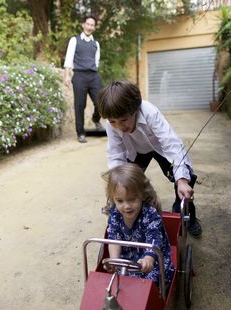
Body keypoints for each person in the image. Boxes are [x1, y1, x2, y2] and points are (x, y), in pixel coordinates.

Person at [97, 80, 202, 237]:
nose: (119, 126)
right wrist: (115, 186)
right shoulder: (111, 125)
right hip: (135, 151)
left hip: (160, 148)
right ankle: (138, 214)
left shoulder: (150, 113)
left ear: (135, 109)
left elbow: (171, 144)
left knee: (185, 178)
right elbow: (116, 154)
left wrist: (181, 181)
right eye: (113, 122)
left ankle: (187, 215)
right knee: (126, 181)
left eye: (124, 120)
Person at [102, 163, 175, 288]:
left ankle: (151, 299)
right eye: (120, 201)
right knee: (115, 279)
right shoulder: (115, 213)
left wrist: (148, 259)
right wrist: (114, 260)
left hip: (151, 256)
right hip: (127, 257)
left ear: (142, 195)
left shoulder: (149, 214)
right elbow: (114, 239)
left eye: (132, 199)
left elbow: (154, 240)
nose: (127, 206)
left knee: (153, 279)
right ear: (113, 199)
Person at [63, 14, 104, 144]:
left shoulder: (96, 44)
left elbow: (96, 61)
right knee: (80, 105)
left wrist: (93, 69)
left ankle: (96, 119)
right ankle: (80, 133)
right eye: (88, 24)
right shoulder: (74, 40)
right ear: (83, 25)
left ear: (94, 28)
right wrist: (67, 76)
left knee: (101, 101)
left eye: (92, 25)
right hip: (79, 75)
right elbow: (69, 59)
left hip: (93, 75)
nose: (89, 27)